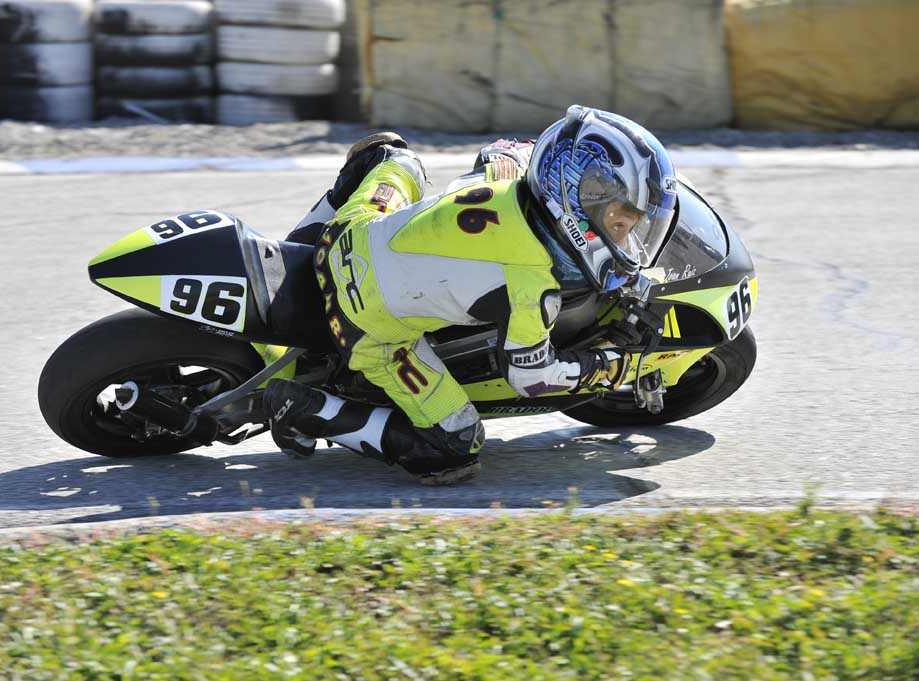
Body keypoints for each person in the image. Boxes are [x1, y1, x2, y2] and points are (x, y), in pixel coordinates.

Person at [262, 105, 678, 485]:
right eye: (619, 225)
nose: (626, 240)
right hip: (366, 326)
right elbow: (532, 377)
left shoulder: (511, 174)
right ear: (575, 207)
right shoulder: (531, 286)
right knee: (458, 444)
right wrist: (610, 369)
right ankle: (304, 408)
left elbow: (498, 150)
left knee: (397, 158)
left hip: (349, 231)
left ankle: (296, 246)